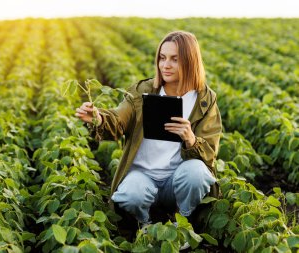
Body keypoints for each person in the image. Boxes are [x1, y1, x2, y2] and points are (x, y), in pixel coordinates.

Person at [75, 31, 222, 234]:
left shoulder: (204, 99)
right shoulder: (144, 90)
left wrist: (190, 139)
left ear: (190, 61)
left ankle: (184, 222)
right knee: (130, 194)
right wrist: (99, 118)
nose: (165, 65)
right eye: (162, 58)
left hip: (176, 182)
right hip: (143, 177)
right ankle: (145, 223)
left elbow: (210, 152)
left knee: (196, 173)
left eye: (174, 59)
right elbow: (119, 119)